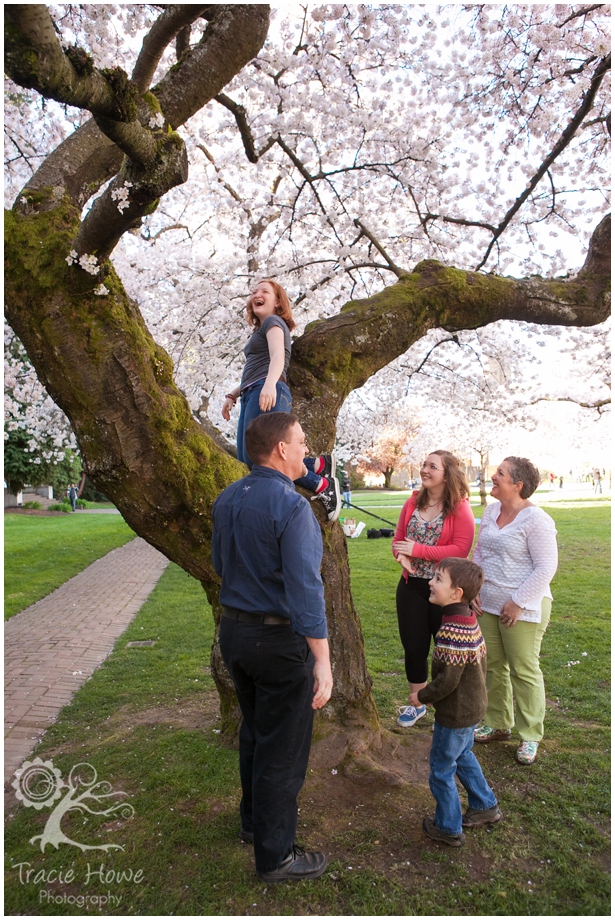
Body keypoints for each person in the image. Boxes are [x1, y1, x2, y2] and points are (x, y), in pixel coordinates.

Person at [212, 412, 333, 883]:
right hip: (278, 642)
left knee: (256, 732)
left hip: (235, 635)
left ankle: (252, 824)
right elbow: (307, 589)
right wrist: (322, 659)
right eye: (301, 442)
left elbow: (220, 563)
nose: (306, 450)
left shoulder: (228, 497)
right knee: (282, 747)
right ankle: (276, 856)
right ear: (281, 449)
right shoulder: (292, 505)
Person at [221, 279, 340, 521]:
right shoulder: (261, 329)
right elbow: (256, 367)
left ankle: (321, 484)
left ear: (277, 303)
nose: (257, 294)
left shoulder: (274, 323)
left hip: (267, 389)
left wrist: (269, 385)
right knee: (248, 458)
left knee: (266, 459)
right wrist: (233, 394)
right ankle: (316, 465)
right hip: (253, 390)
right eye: (254, 291)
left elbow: (277, 357)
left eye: (265, 291)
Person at [472, 457, 558, 765]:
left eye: (500, 474)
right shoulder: (492, 509)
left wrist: (518, 601)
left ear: (517, 485)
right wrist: (474, 590)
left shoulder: (537, 520)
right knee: (493, 665)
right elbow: (481, 551)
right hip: (488, 602)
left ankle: (531, 735)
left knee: (523, 668)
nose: (493, 477)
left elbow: (547, 566)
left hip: (524, 607)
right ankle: (498, 723)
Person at [411, 557, 502, 848]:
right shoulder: (467, 620)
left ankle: (448, 827)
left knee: (441, 769)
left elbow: (448, 681)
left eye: (438, 579)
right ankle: (485, 805)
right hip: (473, 708)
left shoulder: (452, 631)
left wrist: (420, 696)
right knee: (463, 756)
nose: (430, 582)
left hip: (456, 714)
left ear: (456, 593)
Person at [391, 451, 476, 728]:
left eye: (432, 466)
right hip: (412, 587)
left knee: (446, 650)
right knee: (414, 648)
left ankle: (451, 705)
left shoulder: (459, 507)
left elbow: (460, 550)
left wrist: (418, 550)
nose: (425, 470)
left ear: (447, 473)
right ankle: (416, 702)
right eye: (424, 465)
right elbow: (398, 540)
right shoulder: (412, 502)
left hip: (446, 593)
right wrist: (401, 556)